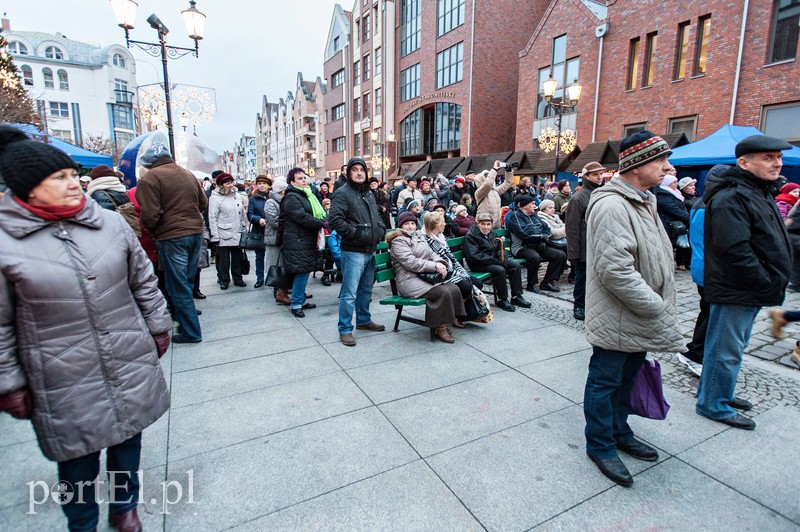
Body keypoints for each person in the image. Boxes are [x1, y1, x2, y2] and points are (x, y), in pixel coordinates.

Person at [0, 124, 171, 532]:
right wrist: (9, 382)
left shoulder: (108, 224)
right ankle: (82, 521)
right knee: (76, 456)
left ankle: (124, 507)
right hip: (60, 367)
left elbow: (143, 280)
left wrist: (158, 324)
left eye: (71, 174)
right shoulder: (6, 243)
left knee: (128, 436)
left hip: (125, 347)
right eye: (57, 178)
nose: (73, 183)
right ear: (28, 189)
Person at [582, 131, 685, 487]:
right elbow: (615, 270)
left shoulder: (644, 198)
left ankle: (619, 430)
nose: (667, 167)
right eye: (660, 161)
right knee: (605, 381)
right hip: (620, 315)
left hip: (636, 315)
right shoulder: (612, 204)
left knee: (627, 379)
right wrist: (655, 304)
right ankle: (600, 444)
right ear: (638, 165)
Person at [697, 134, 793, 430]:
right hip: (738, 287)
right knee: (725, 349)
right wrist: (763, 280)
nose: (776, 163)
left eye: (777, 157)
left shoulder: (756, 190)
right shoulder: (733, 195)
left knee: (732, 347)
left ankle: (717, 394)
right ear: (743, 162)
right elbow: (734, 248)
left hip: (748, 287)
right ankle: (713, 403)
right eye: (768, 158)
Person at [136, 139, 207, 343]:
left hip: (172, 235)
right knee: (187, 280)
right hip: (194, 232)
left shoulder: (151, 179)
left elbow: (149, 214)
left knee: (178, 284)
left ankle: (191, 331)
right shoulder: (187, 174)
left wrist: (156, 229)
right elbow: (203, 202)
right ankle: (188, 321)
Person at [678, 165, 731, 377]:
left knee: (708, 312)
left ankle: (698, 352)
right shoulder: (707, 205)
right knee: (709, 313)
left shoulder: (706, 202)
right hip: (708, 268)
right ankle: (695, 353)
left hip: (707, 266)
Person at [329, 157, 387, 346]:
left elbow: (375, 215)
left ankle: (363, 320)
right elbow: (336, 220)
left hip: (370, 249)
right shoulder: (342, 193)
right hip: (353, 250)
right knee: (349, 293)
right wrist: (355, 234)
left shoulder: (368, 193)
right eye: (355, 170)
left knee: (365, 290)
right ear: (348, 173)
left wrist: (380, 229)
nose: (359, 173)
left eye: (362, 169)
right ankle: (345, 329)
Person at [387, 212, 466, 343]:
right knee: (442, 292)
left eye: (412, 223)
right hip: (408, 280)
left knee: (453, 287)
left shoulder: (418, 236)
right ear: (400, 226)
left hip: (424, 276)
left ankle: (449, 320)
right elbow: (411, 262)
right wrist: (434, 266)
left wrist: (440, 262)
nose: (411, 226)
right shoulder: (398, 241)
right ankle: (440, 327)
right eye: (407, 224)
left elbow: (431, 253)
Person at [281, 168, 326, 318]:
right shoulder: (292, 197)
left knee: (304, 271)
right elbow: (302, 217)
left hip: (305, 239)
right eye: (300, 179)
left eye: (304, 178)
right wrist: (321, 223)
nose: (304, 180)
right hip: (297, 240)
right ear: (292, 182)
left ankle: (300, 300)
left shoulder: (307, 194)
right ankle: (296, 304)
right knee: (301, 272)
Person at [464, 212, 531, 312]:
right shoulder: (471, 235)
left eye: (488, 224)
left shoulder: (492, 233)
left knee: (515, 265)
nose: (486, 227)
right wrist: (495, 261)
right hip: (478, 264)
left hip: (493, 260)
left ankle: (516, 296)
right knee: (499, 270)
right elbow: (475, 256)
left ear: (491, 224)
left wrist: (502, 257)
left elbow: (500, 248)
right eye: (483, 224)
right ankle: (502, 299)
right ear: (478, 224)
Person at [565, 162, 605, 321]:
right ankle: (579, 306)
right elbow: (572, 228)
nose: (599, 177)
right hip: (584, 246)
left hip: (599, 244)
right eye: (596, 174)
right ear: (586, 176)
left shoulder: (601, 193)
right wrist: (573, 252)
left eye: (601, 174)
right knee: (582, 278)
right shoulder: (578, 197)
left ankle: (593, 304)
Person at [505, 196, 566, 294]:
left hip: (537, 245)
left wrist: (542, 237)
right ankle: (531, 284)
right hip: (522, 247)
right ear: (524, 206)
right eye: (532, 204)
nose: (535, 205)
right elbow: (524, 233)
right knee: (535, 257)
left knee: (559, 255)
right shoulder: (515, 217)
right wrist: (541, 236)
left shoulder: (534, 216)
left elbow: (546, 228)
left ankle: (547, 282)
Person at [208, 172, 247, 290]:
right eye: (226, 183)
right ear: (221, 185)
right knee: (224, 260)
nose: (230, 185)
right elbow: (212, 217)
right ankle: (224, 280)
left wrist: (244, 228)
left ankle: (238, 278)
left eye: (231, 182)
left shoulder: (237, 195)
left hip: (237, 231)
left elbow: (241, 214)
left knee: (237, 257)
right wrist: (215, 235)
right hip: (223, 231)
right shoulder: (215, 198)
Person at [655, 174, 691, 269]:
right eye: (674, 182)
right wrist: (687, 217)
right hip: (669, 223)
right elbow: (673, 209)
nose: (676, 184)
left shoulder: (675, 193)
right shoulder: (664, 195)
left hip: (676, 223)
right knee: (668, 245)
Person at [266, 177, 291, 304]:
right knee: (277, 265)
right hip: (274, 238)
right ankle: (280, 292)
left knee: (283, 265)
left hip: (282, 237)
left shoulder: (282, 201)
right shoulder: (271, 202)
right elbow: (275, 221)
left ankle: (284, 290)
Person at [247, 175, 272, 288]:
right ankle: (260, 278)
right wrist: (259, 219)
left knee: (273, 257)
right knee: (259, 256)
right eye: (259, 183)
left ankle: (273, 278)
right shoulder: (253, 199)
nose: (262, 185)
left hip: (272, 230)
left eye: (264, 183)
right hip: (259, 231)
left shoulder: (273, 197)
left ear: (268, 185)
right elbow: (250, 215)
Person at [474, 161, 514, 228]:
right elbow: (488, 184)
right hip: (484, 225)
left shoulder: (495, 191)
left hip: (495, 224)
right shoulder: (479, 193)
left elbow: (507, 183)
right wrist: (494, 169)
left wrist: (508, 171)